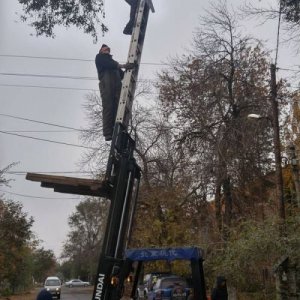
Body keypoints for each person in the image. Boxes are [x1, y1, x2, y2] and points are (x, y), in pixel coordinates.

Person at [95, 44, 134, 141]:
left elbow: (121, 75)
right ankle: (108, 133)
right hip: (106, 85)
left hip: (117, 87)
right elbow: (109, 64)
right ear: (101, 50)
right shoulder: (100, 58)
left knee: (118, 108)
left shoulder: (113, 63)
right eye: (105, 49)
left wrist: (129, 69)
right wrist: (123, 65)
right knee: (108, 107)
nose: (107, 50)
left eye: (108, 49)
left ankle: (117, 130)